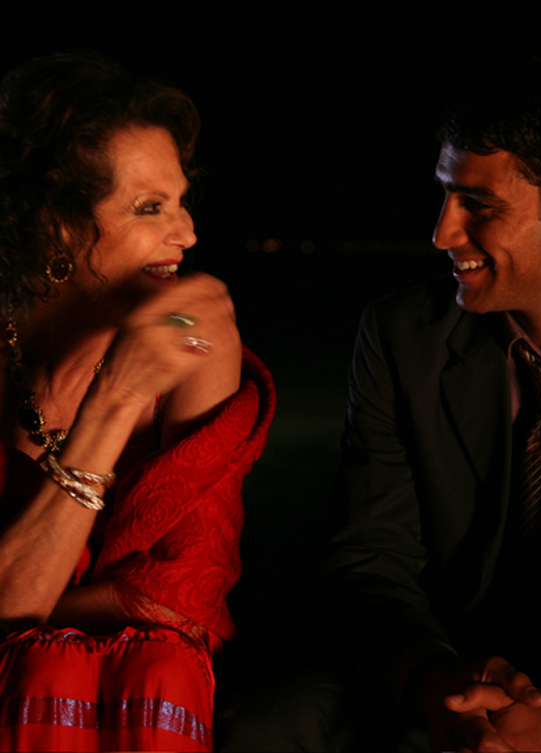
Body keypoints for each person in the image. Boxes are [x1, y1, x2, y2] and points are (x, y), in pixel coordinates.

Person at [0, 51, 275, 752]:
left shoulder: (195, 338)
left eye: (181, 201)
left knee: (158, 667)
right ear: (56, 224)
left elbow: (180, 601)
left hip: (137, 697)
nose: (186, 234)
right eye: (150, 208)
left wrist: (27, 587)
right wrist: (117, 399)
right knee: (47, 669)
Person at [325, 50, 541, 752]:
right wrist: (439, 684)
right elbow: (369, 558)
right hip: (443, 671)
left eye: (478, 205)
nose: (442, 234)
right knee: (269, 724)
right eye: (446, 195)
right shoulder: (403, 335)